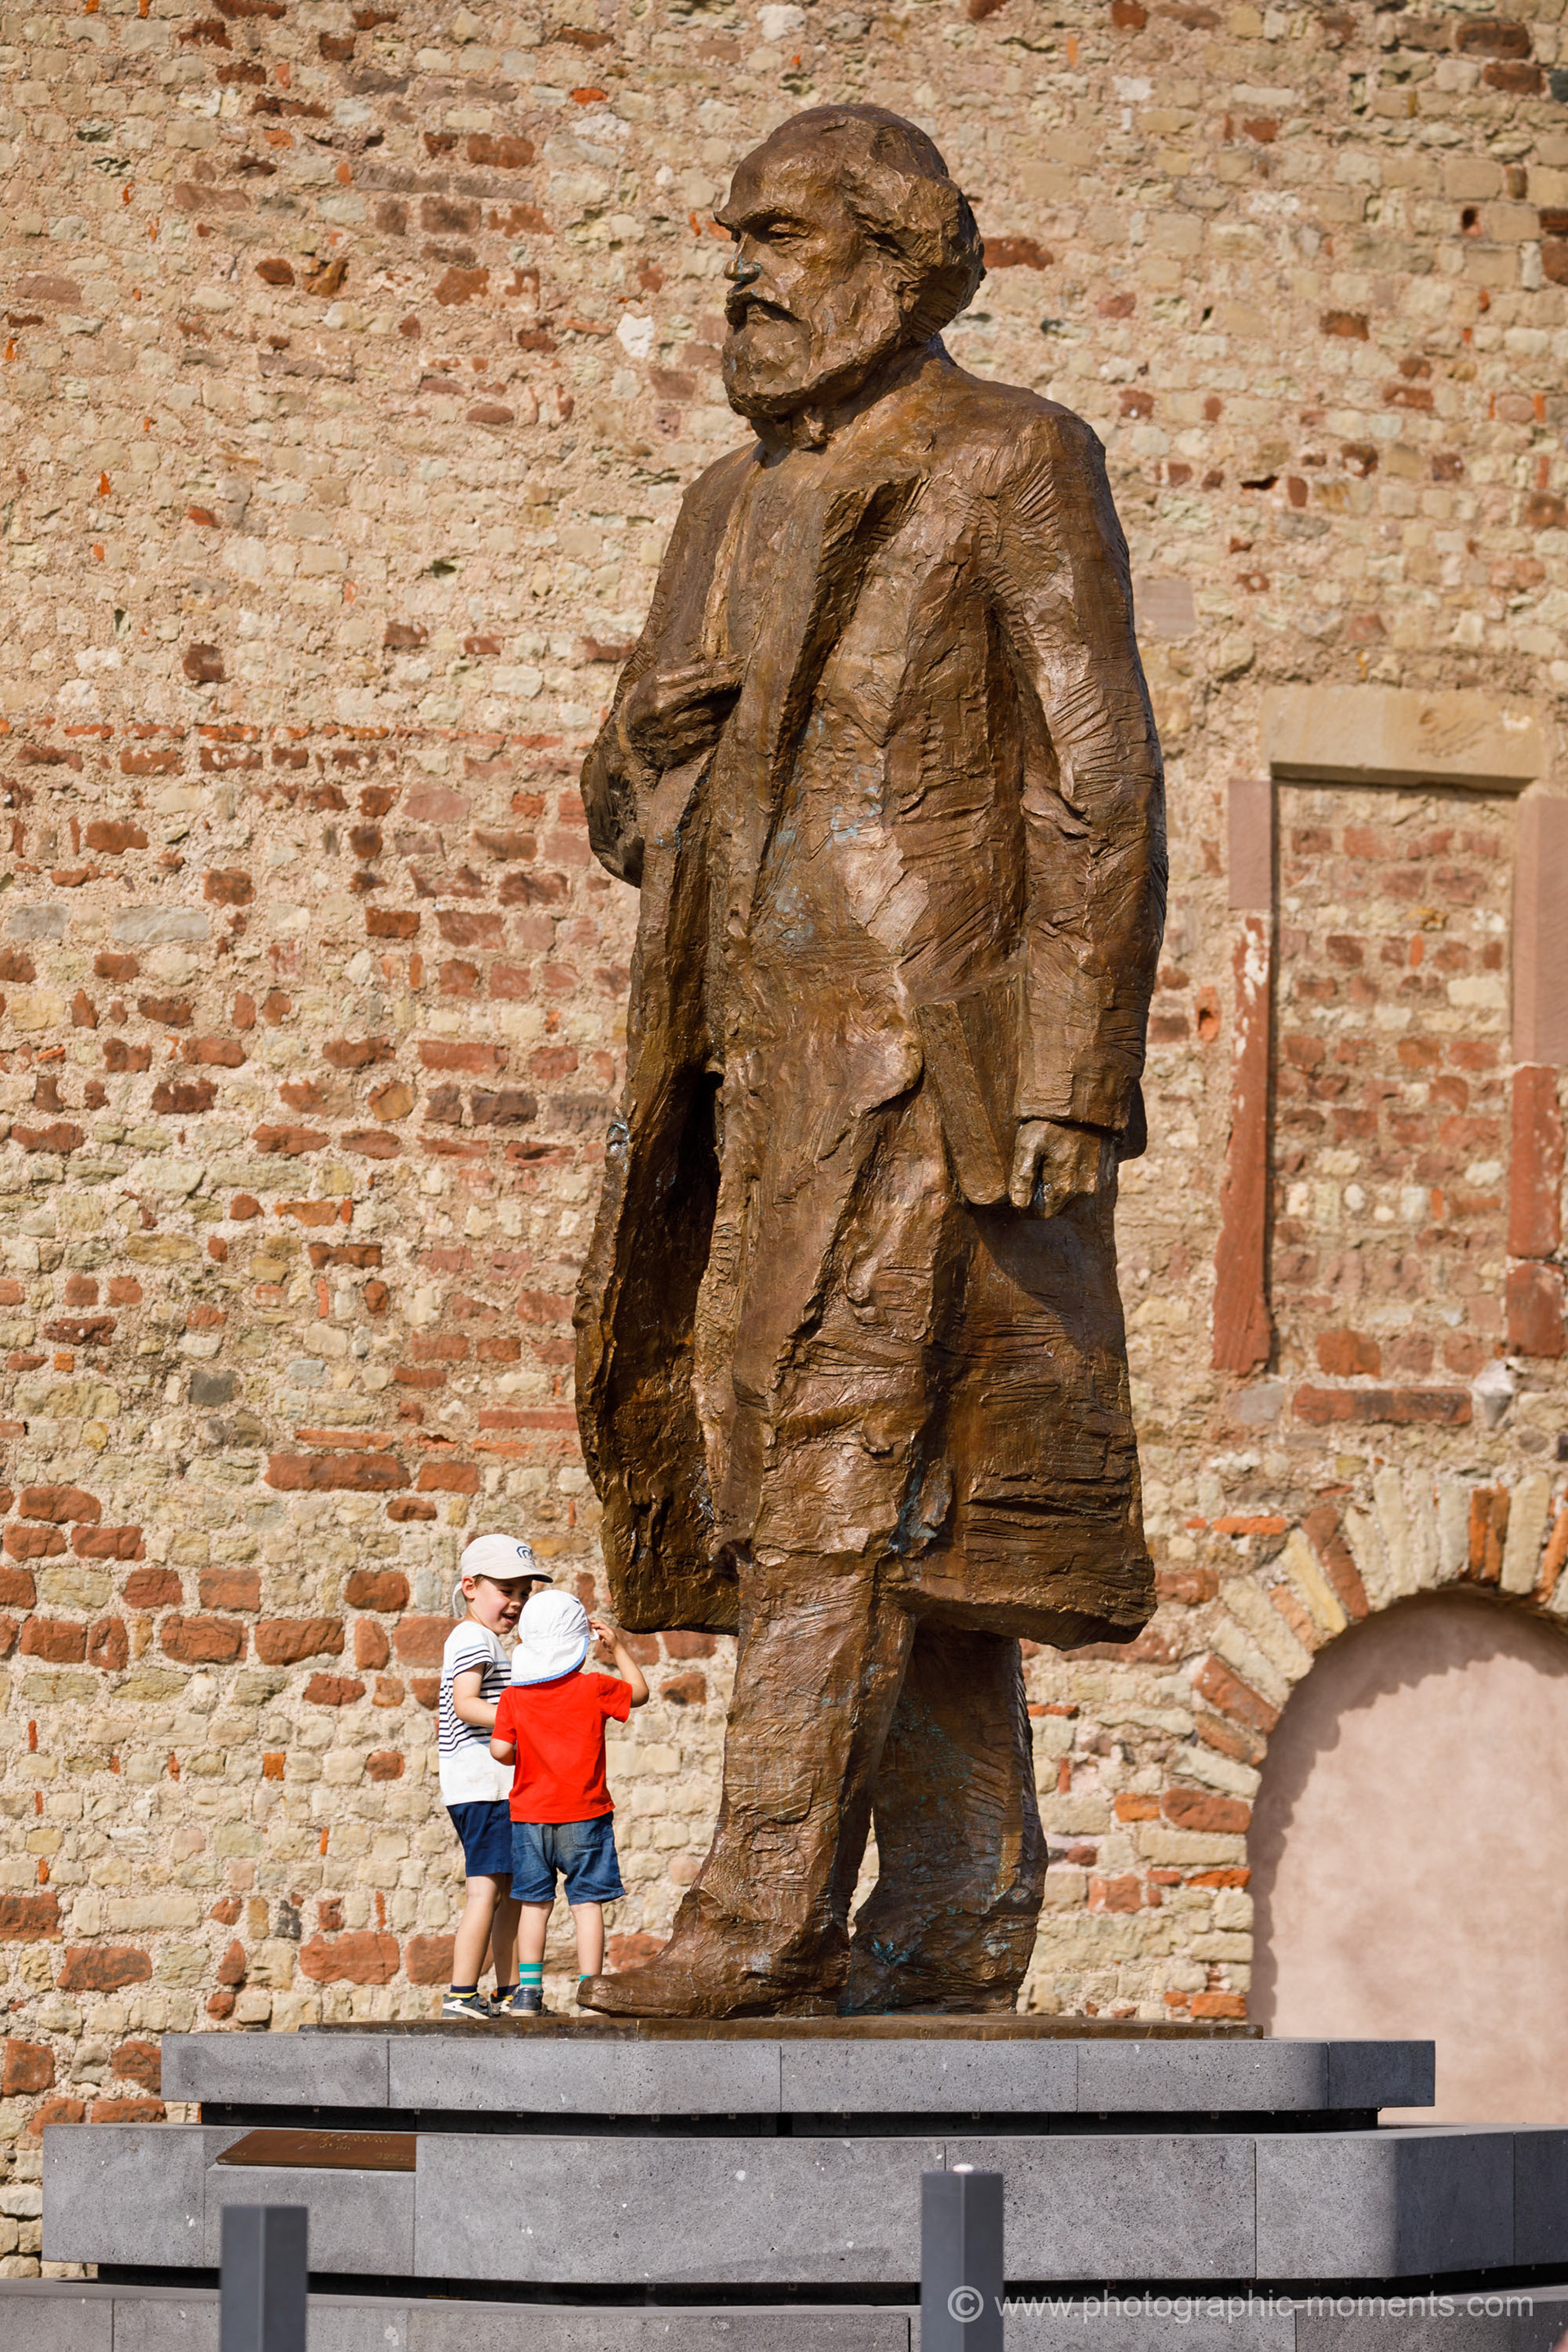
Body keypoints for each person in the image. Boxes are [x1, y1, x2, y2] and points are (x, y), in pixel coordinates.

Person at [573, 104, 1165, 2016]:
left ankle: (757, 1919)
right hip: (747, 1066)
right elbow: (617, 809)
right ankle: (955, 1912)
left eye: (777, 233)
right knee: (893, 1488)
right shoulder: (720, 511)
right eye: (729, 239)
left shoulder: (1010, 462)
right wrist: (647, 752)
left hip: (930, 1054)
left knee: (833, 1464)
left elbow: (1096, 779)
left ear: (897, 262)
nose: (739, 274)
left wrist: (1074, 1067)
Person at [489, 1588, 649, 2014]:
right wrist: (617, 1649)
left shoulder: (513, 1697)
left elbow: (500, 1751)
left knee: (534, 1905)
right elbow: (639, 1693)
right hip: (586, 1815)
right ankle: (590, 1991)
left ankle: (527, 1993)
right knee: (586, 1903)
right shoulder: (594, 1687)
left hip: (530, 1818)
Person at [437, 1532, 552, 2021]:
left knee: (507, 1890)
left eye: (524, 1592)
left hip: (495, 1788)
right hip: (483, 1789)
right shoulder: (472, 1638)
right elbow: (465, 1705)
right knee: (486, 1890)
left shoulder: (487, 1642)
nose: (517, 1602)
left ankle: (507, 1992)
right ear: (470, 1586)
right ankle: (461, 1994)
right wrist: (524, 1718)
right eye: (506, 1590)